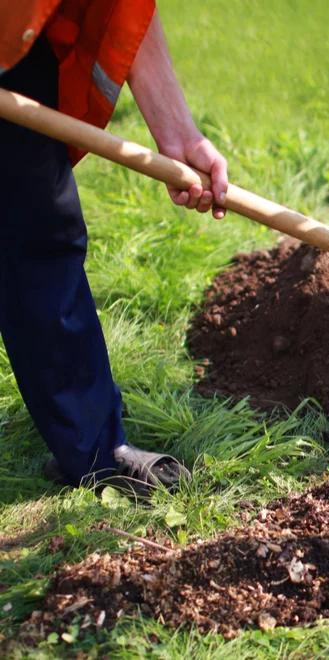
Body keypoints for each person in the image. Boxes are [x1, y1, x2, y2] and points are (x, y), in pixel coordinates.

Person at [0, 2, 227, 494]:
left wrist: (179, 133)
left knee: (39, 225)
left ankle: (94, 449)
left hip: (13, 39)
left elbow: (122, 5)